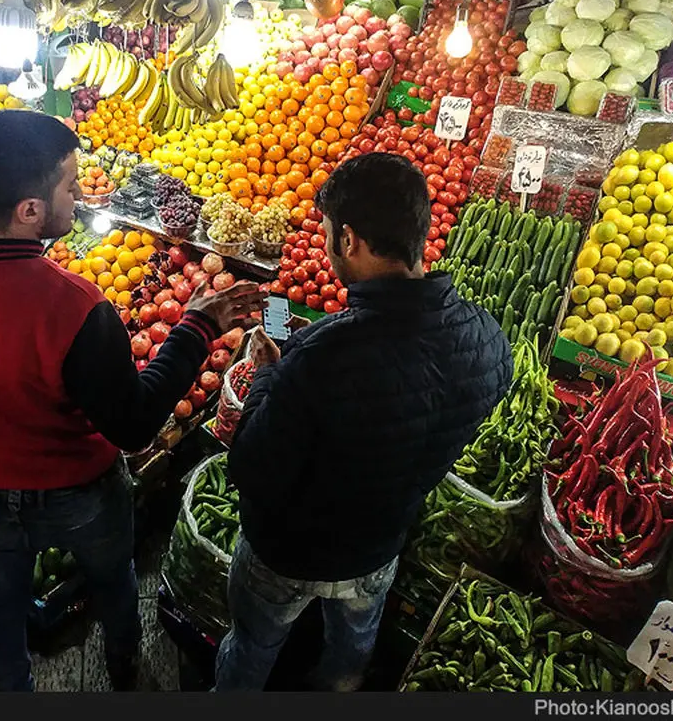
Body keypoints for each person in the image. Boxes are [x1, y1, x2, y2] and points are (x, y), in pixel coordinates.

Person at [0, 110, 265, 691]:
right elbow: (132, 424)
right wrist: (196, 329)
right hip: (80, 490)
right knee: (113, 579)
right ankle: (125, 665)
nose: (80, 197)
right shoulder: (74, 306)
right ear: (31, 210)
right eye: (71, 187)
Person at [214, 153, 514, 692]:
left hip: (288, 553)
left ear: (348, 239)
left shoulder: (318, 356)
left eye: (329, 233)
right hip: (379, 546)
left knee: (253, 645)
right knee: (352, 648)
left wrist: (265, 374)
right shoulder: (489, 340)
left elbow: (252, 467)